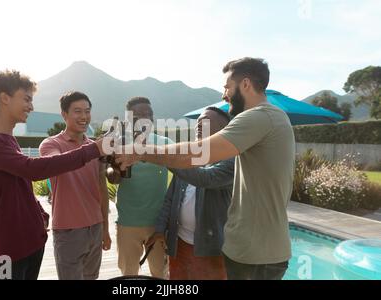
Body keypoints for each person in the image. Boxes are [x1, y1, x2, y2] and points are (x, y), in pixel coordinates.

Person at [113, 58, 296, 280]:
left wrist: (141, 151)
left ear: (245, 84)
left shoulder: (260, 116)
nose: (224, 94)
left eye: (227, 86)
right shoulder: (264, 120)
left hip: (258, 254)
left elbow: (198, 154)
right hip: (247, 250)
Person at [0, 70, 105, 280]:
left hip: (31, 243)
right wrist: (95, 149)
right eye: (27, 99)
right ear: (5, 98)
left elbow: (19, 183)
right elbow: (32, 170)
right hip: (6, 249)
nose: (31, 106)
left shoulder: (8, 139)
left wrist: (39, 213)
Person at [148, 106, 234, 280]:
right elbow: (170, 198)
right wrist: (159, 229)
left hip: (211, 249)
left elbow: (205, 178)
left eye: (206, 121)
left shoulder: (230, 160)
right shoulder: (190, 159)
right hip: (179, 243)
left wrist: (158, 155)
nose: (199, 125)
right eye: (198, 121)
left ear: (224, 130)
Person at [39, 91, 111, 280]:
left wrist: (105, 228)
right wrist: (94, 149)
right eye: (77, 111)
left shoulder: (95, 147)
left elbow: (102, 188)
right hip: (68, 231)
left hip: (95, 227)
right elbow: (54, 163)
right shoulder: (50, 144)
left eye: (87, 111)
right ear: (64, 114)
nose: (84, 117)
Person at [106, 97, 170, 279]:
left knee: (161, 274)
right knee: (128, 275)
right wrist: (116, 170)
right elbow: (112, 177)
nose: (146, 118)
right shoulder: (119, 143)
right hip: (128, 222)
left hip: (158, 224)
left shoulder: (165, 142)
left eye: (149, 114)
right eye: (140, 115)